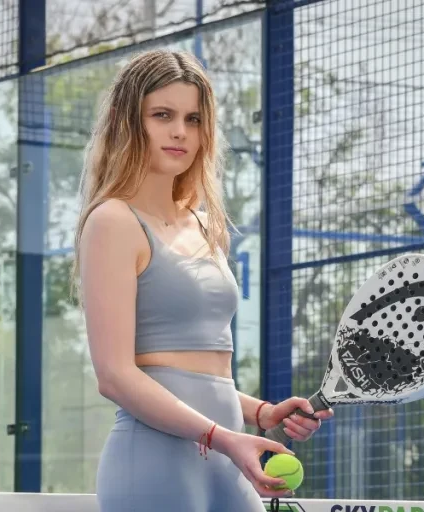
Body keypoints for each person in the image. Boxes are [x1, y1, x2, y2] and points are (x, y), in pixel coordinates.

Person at [72, 49, 334, 511]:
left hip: (228, 459)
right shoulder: (112, 221)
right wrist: (223, 437)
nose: (180, 132)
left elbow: (196, 374)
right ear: (122, 120)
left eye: (193, 119)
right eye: (162, 115)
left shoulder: (204, 223)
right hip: (154, 463)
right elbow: (115, 376)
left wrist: (261, 413)